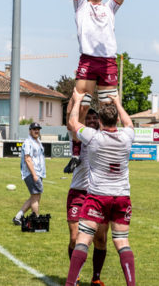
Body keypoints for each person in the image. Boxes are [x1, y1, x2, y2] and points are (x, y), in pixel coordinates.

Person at [66, 0, 129, 173]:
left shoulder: (110, 8)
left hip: (108, 62)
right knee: (80, 104)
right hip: (88, 61)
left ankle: (107, 150)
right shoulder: (80, 6)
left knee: (110, 110)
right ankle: (76, 153)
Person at [66, 90, 136, 286]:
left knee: (83, 240)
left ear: (100, 122)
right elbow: (129, 123)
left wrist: (77, 101)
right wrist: (117, 102)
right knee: (122, 241)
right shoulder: (126, 137)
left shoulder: (94, 137)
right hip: (122, 196)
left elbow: (73, 123)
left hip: (98, 196)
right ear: (117, 120)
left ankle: (70, 283)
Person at [66, 105, 108, 286]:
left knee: (100, 238)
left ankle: (96, 278)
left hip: (99, 194)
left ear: (99, 120)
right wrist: (78, 98)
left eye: (94, 118)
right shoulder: (77, 135)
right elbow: (71, 118)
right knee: (75, 237)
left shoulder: (103, 137)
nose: (91, 121)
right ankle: (75, 276)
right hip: (78, 192)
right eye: (88, 118)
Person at [12, 122, 46, 225]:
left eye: (38, 129)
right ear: (30, 130)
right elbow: (27, 159)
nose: (36, 131)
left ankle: (18, 217)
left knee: (35, 196)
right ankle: (35, 220)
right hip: (32, 173)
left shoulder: (37, 141)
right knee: (35, 197)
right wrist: (34, 175)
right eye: (34, 129)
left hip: (38, 173)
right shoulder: (28, 142)